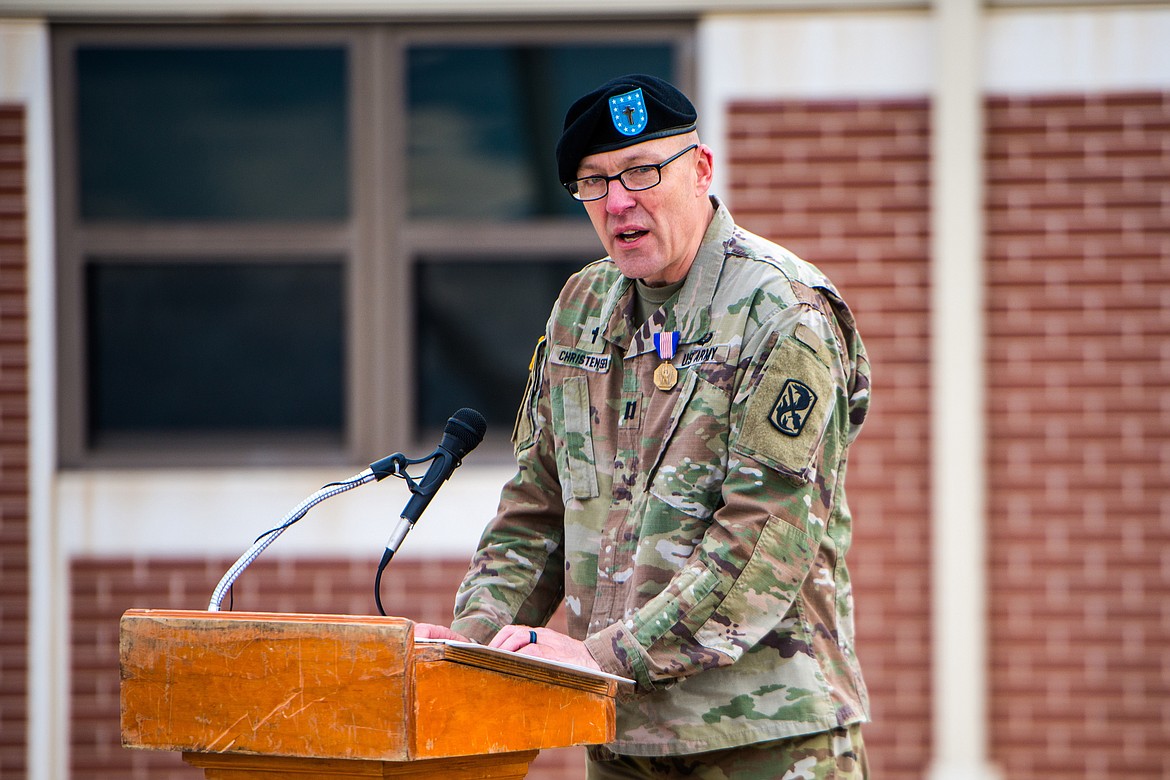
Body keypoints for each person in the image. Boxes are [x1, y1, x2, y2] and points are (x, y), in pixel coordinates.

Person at [416, 73, 871, 779]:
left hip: (764, 739)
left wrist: (598, 660)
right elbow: (539, 508)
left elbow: (761, 544)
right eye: (594, 182)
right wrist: (468, 646)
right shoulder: (582, 305)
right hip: (623, 741)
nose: (618, 201)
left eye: (640, 172)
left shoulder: (783, 314)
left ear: (701, 171)